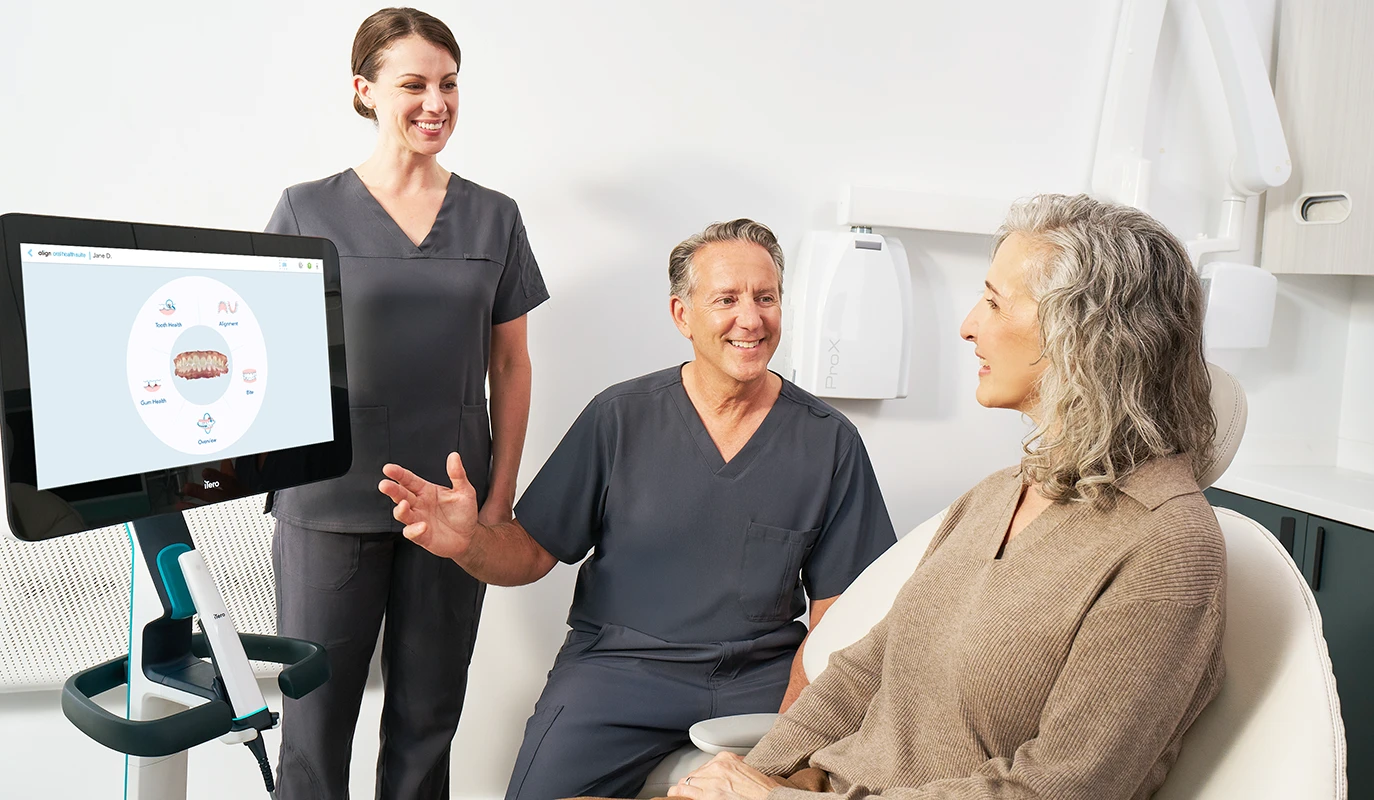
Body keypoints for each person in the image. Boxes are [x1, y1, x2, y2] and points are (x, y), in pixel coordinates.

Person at [625, 194, 1227, 800]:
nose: (968, 325)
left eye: (995, 302)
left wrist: (774, 799)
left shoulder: (1167, 546)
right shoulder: (999, 495)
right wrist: (758, 775)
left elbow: (1055, 790)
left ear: (1084, 335)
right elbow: (862, 672)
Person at [379, 219, 897, 800]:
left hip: (761, 676)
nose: (751, 319)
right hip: (619, 671)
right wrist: (469, 541)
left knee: (834, 783)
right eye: (726, 299)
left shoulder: (829, 441)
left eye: (766, 298)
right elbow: (530, 552)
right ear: (682, 315)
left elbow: (839, 611)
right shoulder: (620, 417)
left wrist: (797, 728)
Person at [265, 8, 549, 799]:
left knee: (428, 723)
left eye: (449, 84)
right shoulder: (306, 210)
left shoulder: (494, 216)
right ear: (365, 90)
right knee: (315, 728)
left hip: (453, 505)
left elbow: (511, 364)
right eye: (414, 84)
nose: (436, 103)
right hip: (328, 500)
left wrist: (498, 500)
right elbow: (271, 355)